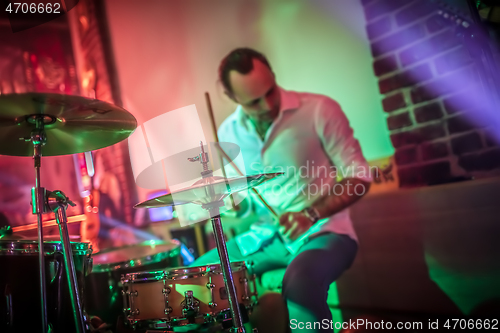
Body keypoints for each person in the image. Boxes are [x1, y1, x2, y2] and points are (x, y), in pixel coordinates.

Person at [193, 48, 372, 332]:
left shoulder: (319, 109)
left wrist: (309, 213)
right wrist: (233, 205)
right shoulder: (228, 134)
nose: (266, 105)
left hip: (325, 233)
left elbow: (360, 176)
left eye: (270, 91)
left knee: (301, 285)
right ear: (233, 98)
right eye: (253, 101)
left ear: (273, 77)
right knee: (196, 282)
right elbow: (246, 204)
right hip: (264, 237)